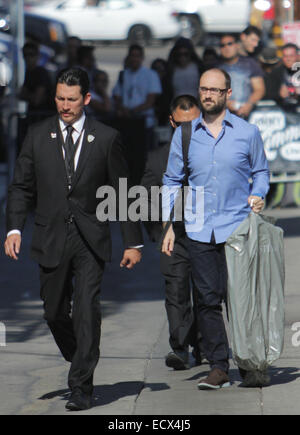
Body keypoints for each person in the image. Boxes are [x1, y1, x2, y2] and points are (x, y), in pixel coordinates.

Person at [4, 67, 143, 411]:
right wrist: (14, 228)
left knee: (86, 309)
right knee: (53, 312)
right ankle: (79, 354)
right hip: (51, 235)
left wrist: (132, 242)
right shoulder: (37, 135)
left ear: (86, 99)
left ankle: (81, 385)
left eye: (71, 100)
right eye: (60, 99)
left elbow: (122, 193)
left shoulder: (106, 138)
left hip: (90, 237)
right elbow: (22, 186)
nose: (65, 106)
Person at [162, 68, 269, 389]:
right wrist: (172, 221)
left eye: (214, 90)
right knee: (207, 300)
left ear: (228, 94)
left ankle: (250, 363)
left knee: (241, 300)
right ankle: (219, 366)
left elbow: (261, 171)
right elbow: (171, 181)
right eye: (203, 89)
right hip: (198, 230)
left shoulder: (246, 132)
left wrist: (258, 194)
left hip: (237, 229)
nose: (208, 95)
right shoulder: (184, 134)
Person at [141, 95, 202, 370]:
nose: (187, 131)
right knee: (176, 291)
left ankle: (204, 343)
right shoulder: (156, 158)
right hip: (172, 236)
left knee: (208, 293)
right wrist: (162, 229)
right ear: (171, 123)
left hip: (208, 234)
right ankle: (179, 347)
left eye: (193, 124)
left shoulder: (214, 151)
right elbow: (144, 200)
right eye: (181, 125)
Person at [112, 44, 162, 183]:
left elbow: (151, 99)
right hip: (127, 121)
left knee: (145, 156)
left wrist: (133, 111)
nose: (134, 59)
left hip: (144, 121)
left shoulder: (150, 75)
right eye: (132, 55)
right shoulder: (124, 74)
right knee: (127, 155)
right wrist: (122, 109)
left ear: (142, 57)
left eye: (137, 56)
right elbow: (116, 95)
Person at [219, 34, 265, 118]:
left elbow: (259, 89)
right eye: (222, 45)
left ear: (236, 45)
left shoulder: (250, 64)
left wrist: (249, 105)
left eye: (229, 44)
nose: (226, 47)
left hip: (248, 115)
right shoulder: (214, 68)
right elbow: (209, 92)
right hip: (222, 117)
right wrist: (225, 103)